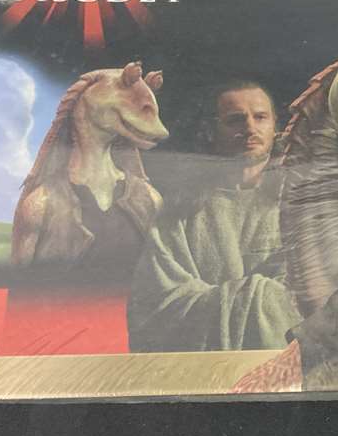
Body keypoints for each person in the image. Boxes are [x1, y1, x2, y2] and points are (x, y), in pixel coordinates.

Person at [127, 81, 300, 351]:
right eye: (235, 120)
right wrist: (254, 299)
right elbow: (156, 305)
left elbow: (313, 295)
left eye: (260, 117)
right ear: (211, 130)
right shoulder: (181, 210)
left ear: (276, 127)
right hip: (203, 368)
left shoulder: (301, 201)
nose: (250, 128)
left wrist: (241, 300)